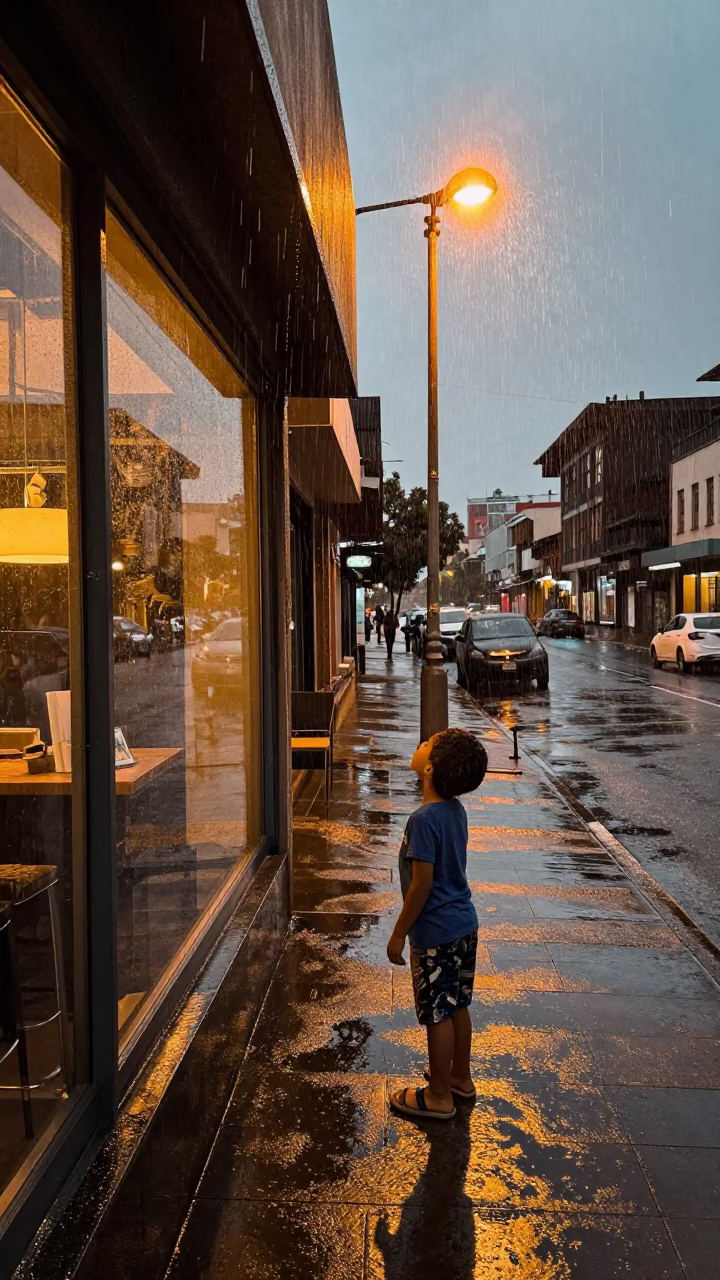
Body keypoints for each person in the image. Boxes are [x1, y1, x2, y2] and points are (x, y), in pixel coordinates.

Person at [387, 727, 488, 1119]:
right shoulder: (454, 811)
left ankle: (439, 1095)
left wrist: (398, 933)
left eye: (426, 743)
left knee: (437, 1014)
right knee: (458, 1005)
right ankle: (460, 1078)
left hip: (436, 932)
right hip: (464, 924)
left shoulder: (423, 820)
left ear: (428, 769)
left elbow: (422, 884)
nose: (420, 743)